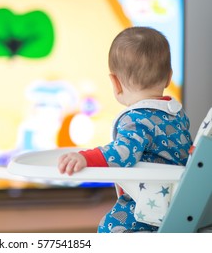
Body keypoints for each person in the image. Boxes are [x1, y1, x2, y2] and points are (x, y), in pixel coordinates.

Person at [58, 26, 192, 233]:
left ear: (115, 83)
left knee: (109, 228)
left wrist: (86, 158)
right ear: (169, 77)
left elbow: (121, 154)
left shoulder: (135, 120)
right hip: (180, 201)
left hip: (149, 204)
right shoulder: (178, 115)